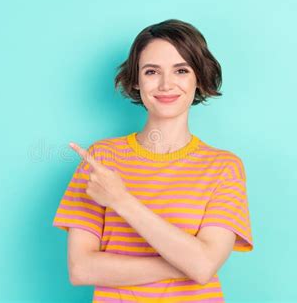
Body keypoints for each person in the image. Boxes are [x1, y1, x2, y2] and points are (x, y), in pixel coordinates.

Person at [52, 18, 254, 302]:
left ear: (199, 77)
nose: (166, 84)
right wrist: (186, 263)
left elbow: (205, 265)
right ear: (136, 80)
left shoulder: (223, 167)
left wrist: (121, 200)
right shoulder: (100, 159)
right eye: (151, 72)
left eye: (181, 70)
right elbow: (82, 269)